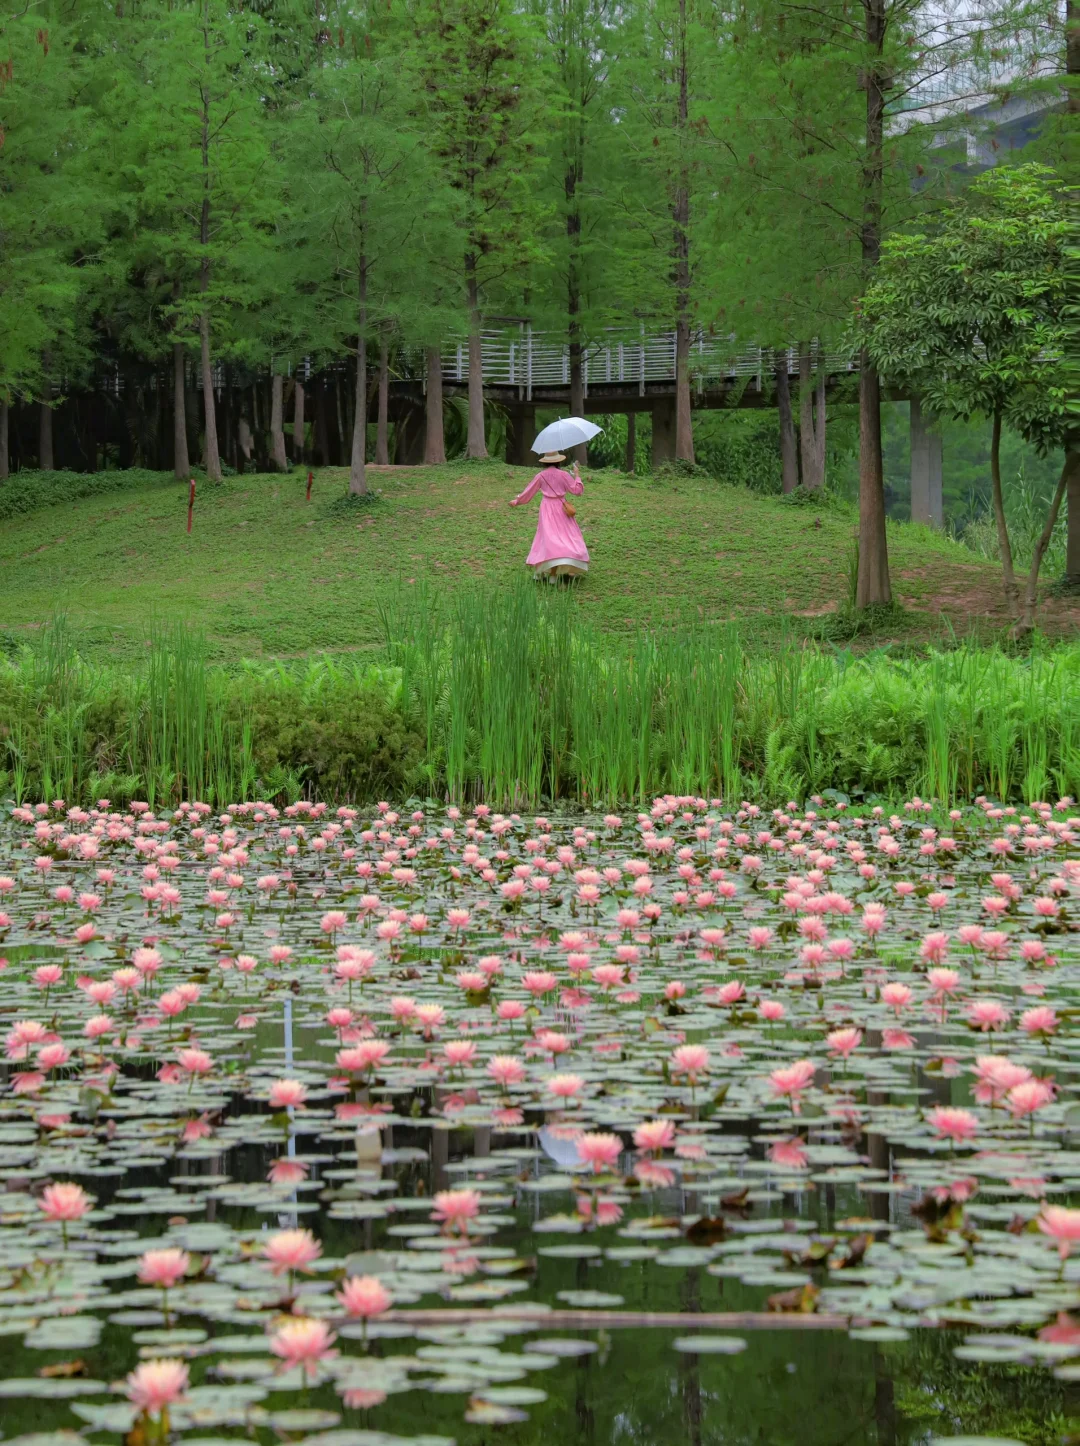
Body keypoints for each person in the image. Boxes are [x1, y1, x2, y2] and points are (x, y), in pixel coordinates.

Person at [509, 450, 590, 581]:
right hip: (561, 507)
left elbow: (529, 491)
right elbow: (577, 491)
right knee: (566, 536)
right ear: (558, 461)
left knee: (546, 538)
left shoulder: (541, 476)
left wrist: (517, 500)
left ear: (545, 463)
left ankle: (542, 573)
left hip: (546, 507)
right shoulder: (564, 475)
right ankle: (553, 574)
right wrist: (577, 475)